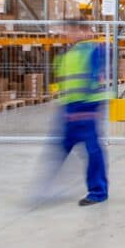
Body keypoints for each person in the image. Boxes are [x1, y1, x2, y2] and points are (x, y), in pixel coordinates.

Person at [50, 20, 109, 206]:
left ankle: (98, 192)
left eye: (73, 30)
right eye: (67, 30)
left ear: (84, 31)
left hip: (86, 109)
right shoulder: (65, 55)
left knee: (92, 151)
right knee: (60, 149)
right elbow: (63, 84)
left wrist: (91, 108)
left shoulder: (92, 50)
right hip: (70, 109)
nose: (69, 34)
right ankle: (44, 187)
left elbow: (96, 77)